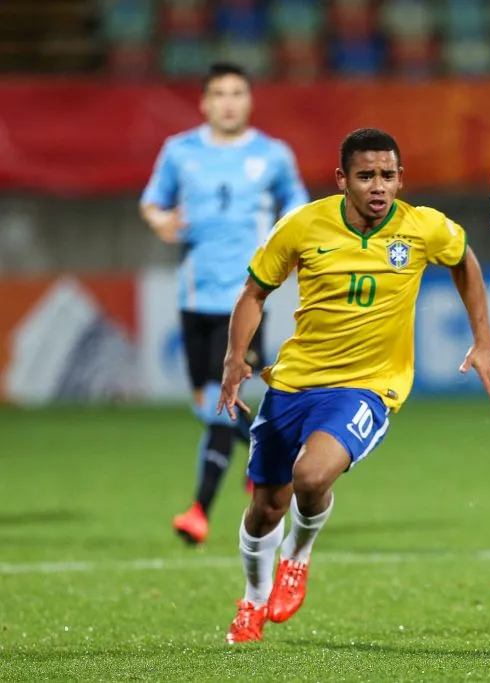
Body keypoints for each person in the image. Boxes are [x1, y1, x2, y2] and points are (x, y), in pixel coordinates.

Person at [217, 128, 490, 644]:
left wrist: (483, 341)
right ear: (342, 179)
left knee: (312, 475)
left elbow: (465, 261)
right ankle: (252, 601)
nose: (379, 186)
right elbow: (254, 292)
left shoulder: (422, 228)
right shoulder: (303, 226)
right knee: (265, 508)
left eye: (388, 176)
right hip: (294, 383)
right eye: (366, 176)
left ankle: (298, 558)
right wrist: (235, 358)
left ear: (400, 178)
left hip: (369, 386)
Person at [140, 62, 309, 545]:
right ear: (205, 102)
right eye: (219, 93)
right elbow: (153, 201)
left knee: (221, 404)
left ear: (249, 100)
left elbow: (296, 205)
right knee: (207, 406)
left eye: (237, 93)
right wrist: (158, 221)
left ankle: (199, 510)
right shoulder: (180, 152)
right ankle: (266, 460)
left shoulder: (272, 155)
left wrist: (290, 244)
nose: (228, 102)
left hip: (247, 296)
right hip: (195, 297)